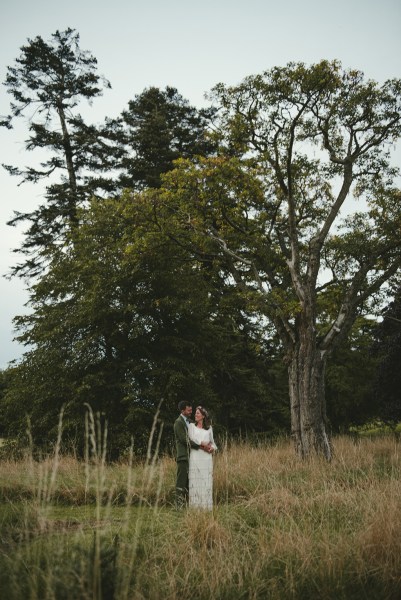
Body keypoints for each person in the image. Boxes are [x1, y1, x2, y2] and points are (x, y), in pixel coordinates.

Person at [174, 401, 209, 509]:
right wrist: (200, 445)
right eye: (188, 410)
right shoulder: (178, 423)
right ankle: (178, 506)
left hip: (191, 457)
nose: (191, 412)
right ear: (182, 410)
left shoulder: (189, 422)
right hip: (183, 457)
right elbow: (185, 440)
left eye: (191, 410)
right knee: (181, 482)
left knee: (191, 482)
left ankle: (190, 505)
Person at [188, 406, 217, 510]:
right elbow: (192, 440)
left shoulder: (209, 429)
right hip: (195, 457)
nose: (195, 415)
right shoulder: (191, 426)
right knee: (195, 480)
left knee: (206, 481)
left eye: (198, 413)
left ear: (203, 416)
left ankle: (206, 506)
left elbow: (213, 444)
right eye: (195, 413)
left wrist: (212, 449)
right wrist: (203, 444)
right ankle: (195, 506)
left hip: (207, 459)